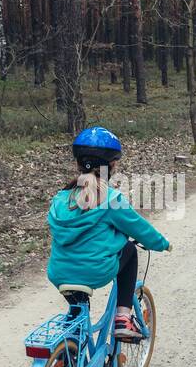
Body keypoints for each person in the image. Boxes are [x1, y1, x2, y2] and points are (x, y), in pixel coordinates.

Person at [46, 126, 171, 340]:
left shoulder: (60, 199)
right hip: (94, 271)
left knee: (77, 311)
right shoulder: (110, 199)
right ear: (111, 166)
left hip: (59, 273)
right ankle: (123, 318)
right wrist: (162, 244)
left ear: (78, 163)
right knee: (129, 250)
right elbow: (138, 228)